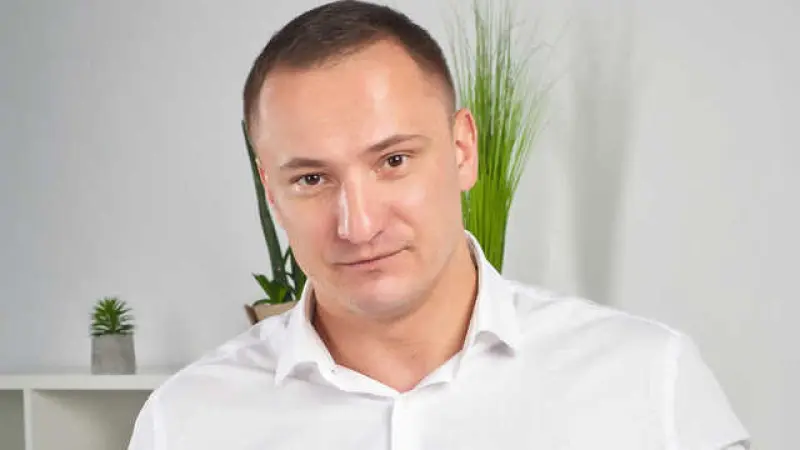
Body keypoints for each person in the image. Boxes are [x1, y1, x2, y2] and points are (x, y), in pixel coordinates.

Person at [128, 1, 751, 449]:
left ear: (462, 150)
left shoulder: (649, 379)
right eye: (312, 179)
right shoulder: (183, 423)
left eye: (394, 161)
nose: (359, 224)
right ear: (271, 189)